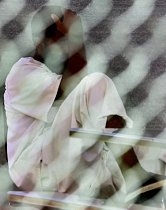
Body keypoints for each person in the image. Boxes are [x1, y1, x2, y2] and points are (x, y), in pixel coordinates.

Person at [4, 5, 132, 199]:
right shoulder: (22, 72)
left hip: (62, 156)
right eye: (64, 38)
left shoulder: (57, 75)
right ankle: (108, 132)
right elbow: (73, 86)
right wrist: (74, 40)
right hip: (33, 166)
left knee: (103, 131)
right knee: (95, 82)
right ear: (41, 42)